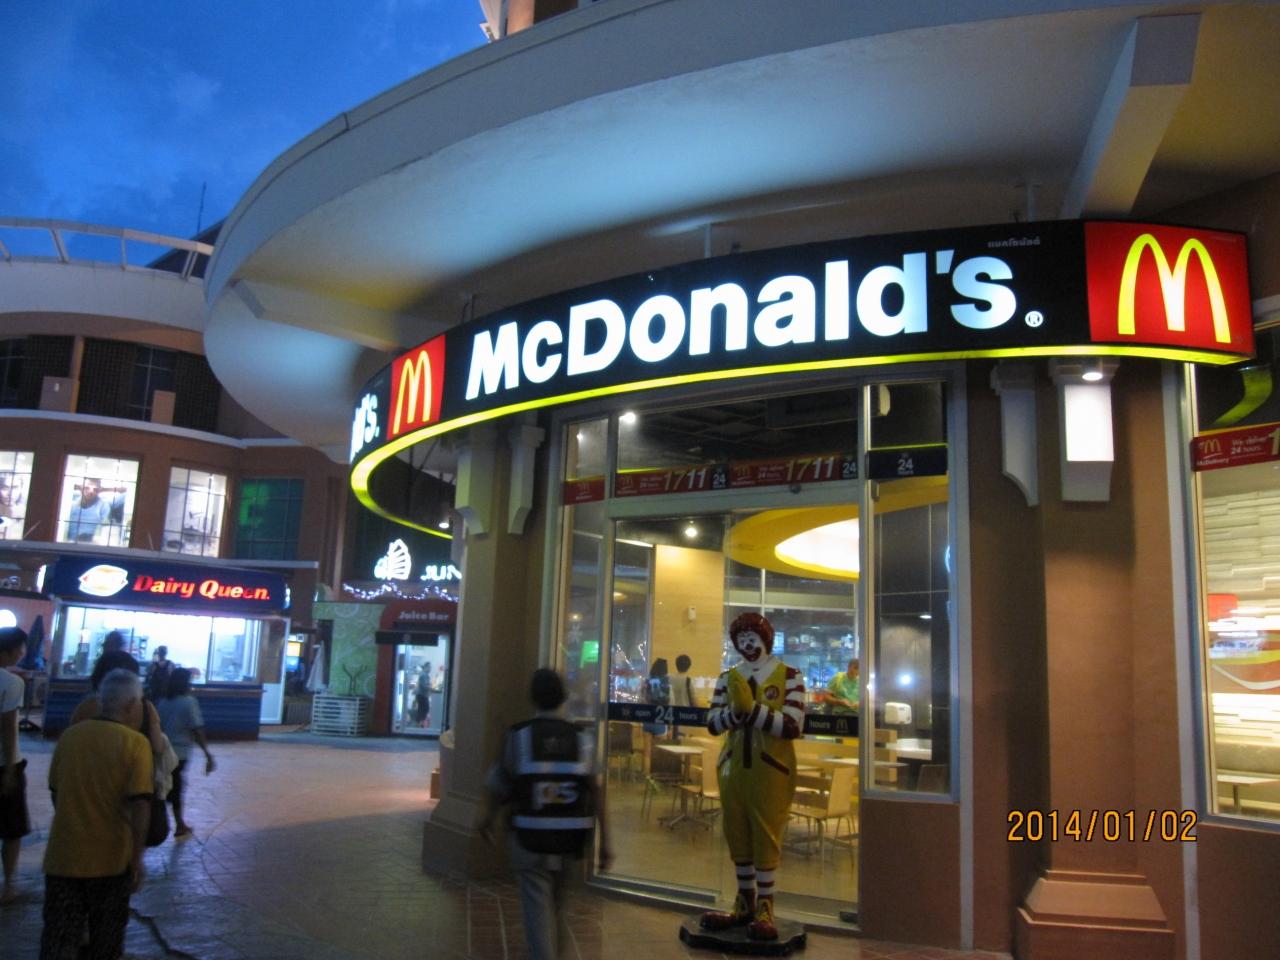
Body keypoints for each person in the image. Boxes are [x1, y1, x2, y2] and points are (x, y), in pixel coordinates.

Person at [478, 668, 612, 960]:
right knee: (558, 908)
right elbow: (596, 791)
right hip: (571, 840)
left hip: (530, 839)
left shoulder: (519, 736)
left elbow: (499, 784)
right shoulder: (583, 739)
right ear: (563, 697)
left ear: (532, 698)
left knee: (537, 912)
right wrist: (605, 843)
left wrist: (487, 820)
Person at [700, 612, 805, 941]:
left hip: (771, 772)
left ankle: (765, 906)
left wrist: (752, 711)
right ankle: (744, 901)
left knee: (766, 835)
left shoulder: (790, 676)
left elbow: (793, 725)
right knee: (737, 833)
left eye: (752, 638)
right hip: (733, 770)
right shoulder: (728, 678)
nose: (747, 645)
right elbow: (713, 723)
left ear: (766, 640)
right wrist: (736, 713)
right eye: (741, 639)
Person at [40, 668, 153, 960]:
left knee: (59, 938)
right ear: (132, 705)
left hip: (63, 857)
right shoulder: (135, 744)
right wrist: (137, 858)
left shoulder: (70, 737)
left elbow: (56, 792)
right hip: (110, 861)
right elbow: (141, 805)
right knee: (106, 940)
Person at [156, 668, 215, 839]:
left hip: (163, 750)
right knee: (176, 787)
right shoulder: (189, 702)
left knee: (166, 785)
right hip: (180, 752)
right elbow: (197, 728)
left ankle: (172, 821)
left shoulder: (162, 702)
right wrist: (207, 753)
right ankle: (178, 824)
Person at [1, 626, 30, 904]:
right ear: (10, 650)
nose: (23, 652)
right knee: (12, 828)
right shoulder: (11, 683)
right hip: (4, 764)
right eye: (21, 648)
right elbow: (8, 728)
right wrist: (10, 769)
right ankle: (9, 884)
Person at [64, 478, 127, 543]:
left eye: (95, 489)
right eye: (86, 488)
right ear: (81, 488)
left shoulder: (103, 506)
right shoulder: (70, 505)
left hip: (90, 543)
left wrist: (104, 489)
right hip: (69, 543)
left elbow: (125, 492)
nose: (91, 491)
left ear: (99, 490)